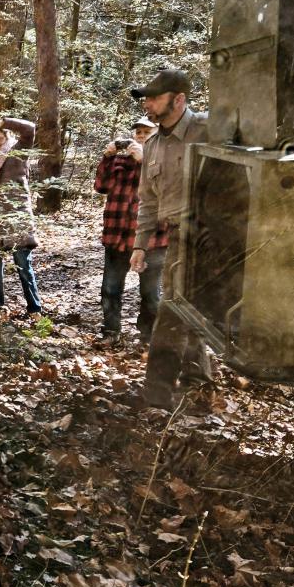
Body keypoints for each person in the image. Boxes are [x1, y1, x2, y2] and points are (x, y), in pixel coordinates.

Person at [129, 69, 213, 409]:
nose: (147, 104)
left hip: (217, 237)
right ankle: (199, 387)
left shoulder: (210, 130)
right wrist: (139, 244)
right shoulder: (153, 145)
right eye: (146, 98)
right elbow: (148, 200)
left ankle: (156, 393)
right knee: (184, 310)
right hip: (179, 236)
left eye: (154, 97)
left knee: (173, 310)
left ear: (178, 99)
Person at [94, 116, 164, 347]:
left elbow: (167, 192)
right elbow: (100, 187)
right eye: (138, 133)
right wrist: (107, 157)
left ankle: (148, 336)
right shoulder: (119, 162)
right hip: (117, 237)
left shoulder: (167, 161)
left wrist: (145, 161)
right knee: (110, 289)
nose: (141, 136)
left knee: (151, 295)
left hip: (152, 242)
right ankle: (111, 332)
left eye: (147, 132)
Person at [0, 117, 43, 318]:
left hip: (18, 218)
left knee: (24, 265)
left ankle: (34, 309)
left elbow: (30, 128)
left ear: (6, 136)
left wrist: (2, 122)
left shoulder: (18, 152)